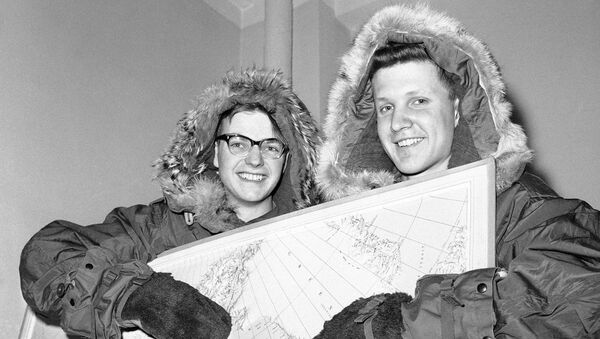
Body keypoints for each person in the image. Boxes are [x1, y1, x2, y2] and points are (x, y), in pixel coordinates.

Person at [315, 4, 599, 338]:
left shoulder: (517, 205)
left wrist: (405, 322)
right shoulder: (356, 230)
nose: (398, 122)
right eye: (386, 107)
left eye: (418, 101)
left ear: (455, 110)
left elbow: (584, 288)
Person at [19, 68, 321, 339]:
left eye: (270, 146)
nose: (255, 159)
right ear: (215, 154)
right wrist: (141, 297)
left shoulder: (313, 240)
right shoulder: (162, 226)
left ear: (286, 160)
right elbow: (45, 254)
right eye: (238, 143)